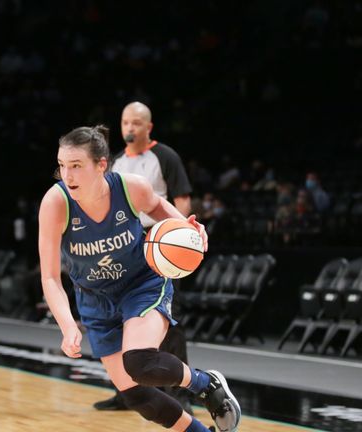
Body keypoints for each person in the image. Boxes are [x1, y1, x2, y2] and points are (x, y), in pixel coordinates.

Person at [38, 125, 240, 432]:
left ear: (101, 165)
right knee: (136, 395)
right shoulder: (55, 203)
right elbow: (51, 277)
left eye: (77, 166)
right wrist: (68, 326)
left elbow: (159, 208)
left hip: (140, 285)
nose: (67, 176)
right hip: (95, 299)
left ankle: (205, 383)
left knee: (140, 363)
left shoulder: (130, 187)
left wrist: (187, 230)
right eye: (62, 166)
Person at [101, 101, 194, 412]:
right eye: (125, 122)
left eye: (136, 123)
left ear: (148, 127)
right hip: (123, 248)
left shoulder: (165, 157)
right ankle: (127, 394)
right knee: (118, 319)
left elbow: (181, 202)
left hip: (158, 245)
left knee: (167, 320)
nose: (130, 128)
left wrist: (175, 240)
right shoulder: (114, 162)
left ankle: (180, 396)